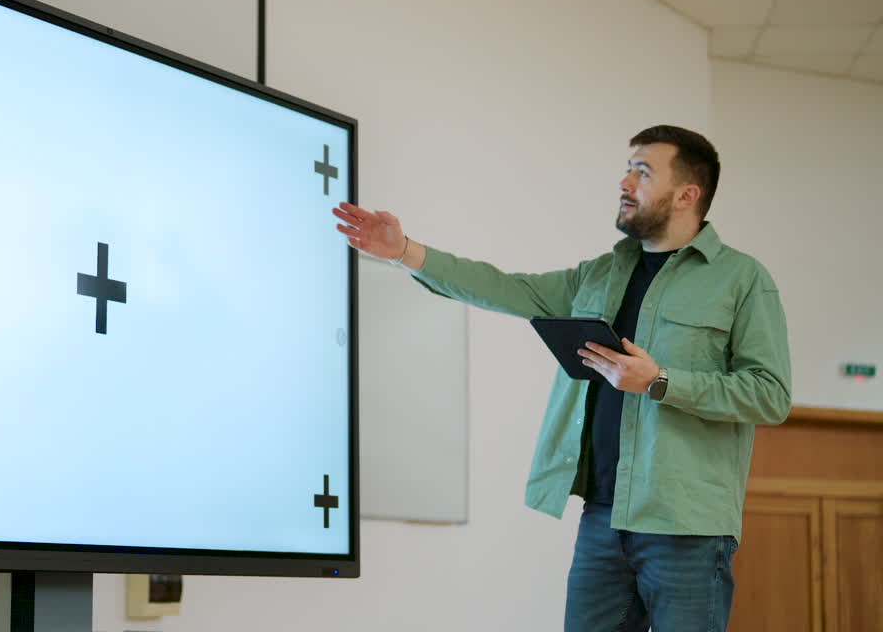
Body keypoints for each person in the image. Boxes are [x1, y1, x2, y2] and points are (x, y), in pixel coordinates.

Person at [333, 125, 791, 632]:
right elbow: (506, 288)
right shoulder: (597, 274)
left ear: (687, 195)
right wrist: (405, 252)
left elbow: (770, 395)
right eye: (627, 168)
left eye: (642, 172)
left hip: (687, 529)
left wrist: (659, 381)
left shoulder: (743, 279)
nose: (624, 181)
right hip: (602, 520)